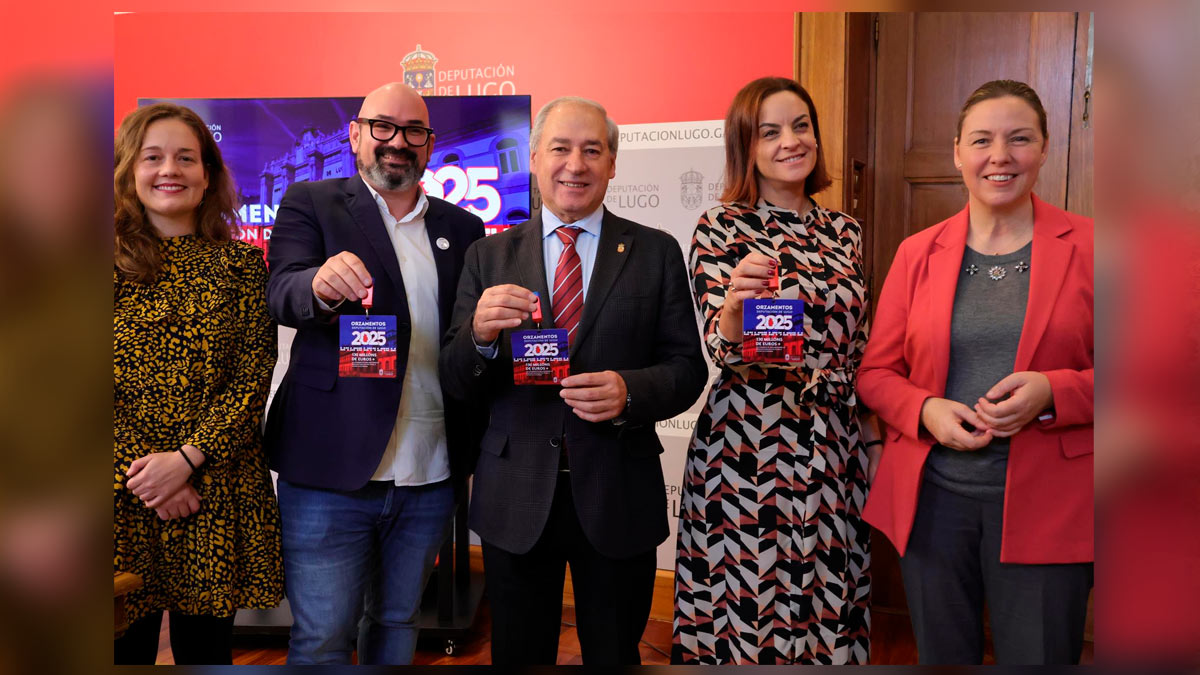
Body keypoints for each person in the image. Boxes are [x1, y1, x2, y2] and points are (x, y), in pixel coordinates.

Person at [439, 96, 707, 665]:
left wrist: (630, 391)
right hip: (515, 494)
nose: (575, 164)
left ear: (613, 163)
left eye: (592, 150)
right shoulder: (487, 256)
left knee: (613, 655)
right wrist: (480, 336)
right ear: (534, 159)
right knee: (520, 655)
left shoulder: (655, 251)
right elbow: (457, 380)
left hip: (617, 491)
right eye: (560, 149)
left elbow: (688, 368)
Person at [857, 80, 1094, 665]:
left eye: (1020, 139)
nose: (1000, 156)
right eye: (982, 140)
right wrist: (925, 410)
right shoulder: (919, 252)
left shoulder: (1096, 247)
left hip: (1054, 507)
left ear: (1043, 149)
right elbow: (876, 373)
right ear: (958, 151)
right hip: (934, 505)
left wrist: (1053, 390)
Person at [264, 82, 485, 665]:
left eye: (413, 131)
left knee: (396, 624)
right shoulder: (310, 201)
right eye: (382, 127)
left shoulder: (463, 230)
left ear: (429, 145)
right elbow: (282, 290)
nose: (397, 142)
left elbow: (465, 339)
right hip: (328, 470)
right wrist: (315, 285)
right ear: (357, 134)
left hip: (430, 472)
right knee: (321, 640)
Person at [671, 77, 877, 665]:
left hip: (833, 444)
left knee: (827, 594)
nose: (791, 141)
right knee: (746, 604)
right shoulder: (722, 227)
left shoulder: (846, 231)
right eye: (770, 131)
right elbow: (721, 347)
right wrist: (735, 313)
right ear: (747, 146)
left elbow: (859, 346)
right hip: (747, 445)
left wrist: (871, 441)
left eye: (801, 125)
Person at [113, 102, 284, 664]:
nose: (171, 170)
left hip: (215, 490)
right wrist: (152, 476)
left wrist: (186, 460)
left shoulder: (240, 265)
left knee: (206, 655)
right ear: (128, 171)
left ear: (207, 174)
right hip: (120, 496)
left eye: (187, 157)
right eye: (154, 157)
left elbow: (253, 377)